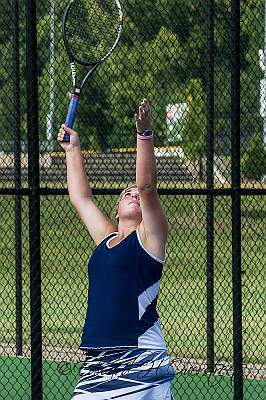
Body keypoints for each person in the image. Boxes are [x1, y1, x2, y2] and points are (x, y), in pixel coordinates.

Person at [58, 99, 176, 399]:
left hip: (140, 359)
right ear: (116, 209)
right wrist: (73, 150)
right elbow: (81, 199)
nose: (135, 194)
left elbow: (147, 187)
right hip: (98, 362)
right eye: (127, 194)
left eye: (136, 193)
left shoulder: (151, 240)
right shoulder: (106, 241)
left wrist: (144, 134)